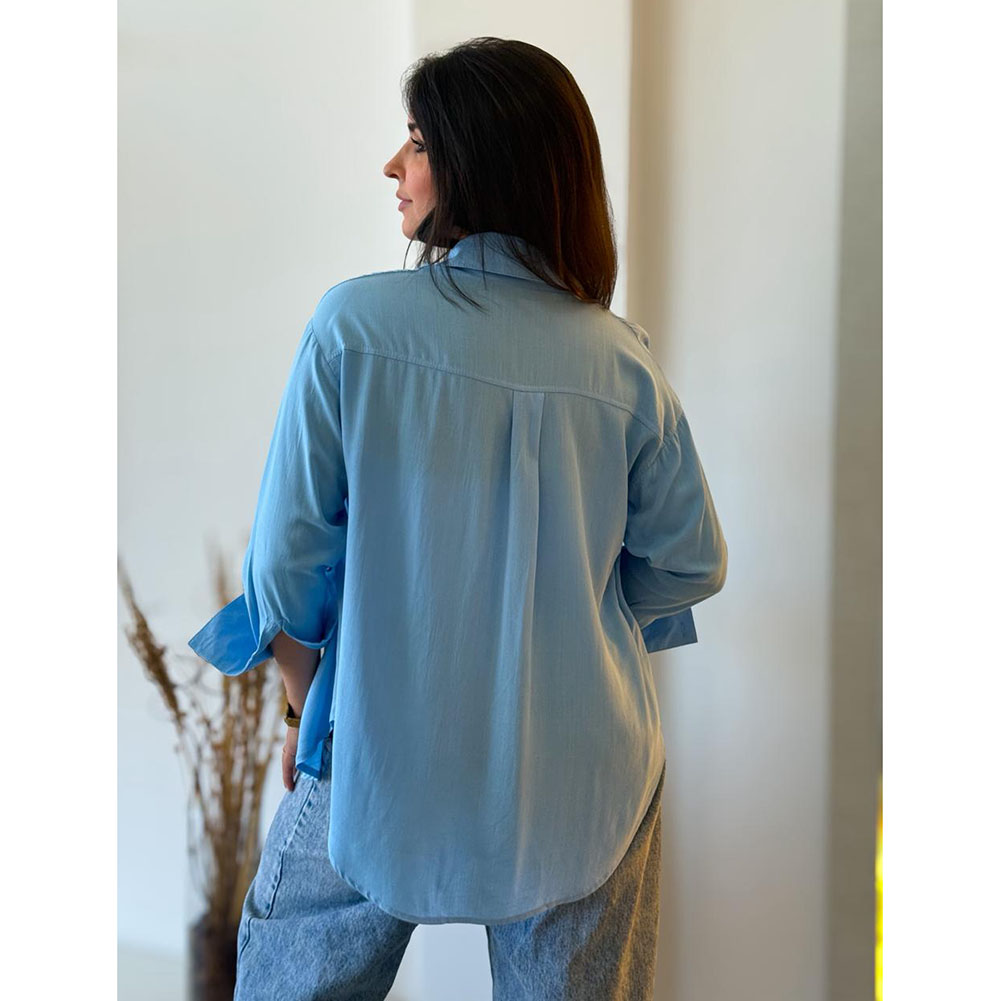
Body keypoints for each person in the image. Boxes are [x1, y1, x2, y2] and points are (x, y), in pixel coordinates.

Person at [188, 35, 728, 1001]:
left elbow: (284, 571)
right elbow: (691, 563)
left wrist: (306, 708)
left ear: (481, 161)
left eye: (418, 142)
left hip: (377, 756)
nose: (393, 166)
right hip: (585, 776)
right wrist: (574, 610)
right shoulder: (624, 363)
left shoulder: (352, 328)